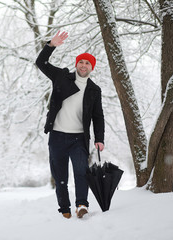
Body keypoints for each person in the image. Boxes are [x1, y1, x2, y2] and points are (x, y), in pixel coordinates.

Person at [35, 31, 105, 219]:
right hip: (57, 136)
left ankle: (81, 204)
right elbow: (41, 63)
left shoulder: (94, 90)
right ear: (77, 64)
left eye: (87, 63)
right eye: (81, 62)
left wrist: (99, 139)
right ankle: (64, 208)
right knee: (60, 177)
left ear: (92, 67)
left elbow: (98, 116)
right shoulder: (61, 77)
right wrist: (51, 45)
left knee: (81, 172)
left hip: (78, 139)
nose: (83, 65)